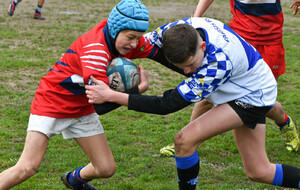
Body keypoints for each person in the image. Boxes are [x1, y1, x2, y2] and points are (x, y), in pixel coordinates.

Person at [85, 17, 300, 189]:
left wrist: (112, 96)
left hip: (252, 96)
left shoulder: (217, 64)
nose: (187, 72)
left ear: (202, 46)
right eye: (181, 66)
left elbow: (167, 105)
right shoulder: (174, 31)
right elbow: (142, 45)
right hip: (240, 84)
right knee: (259, 171)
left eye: (190, 65)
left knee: (184, 141)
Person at [0, 0, 151, 189]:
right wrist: (137, 91)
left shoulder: (120, 34)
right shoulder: (95, 51)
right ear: (115, 29)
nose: (135, 44)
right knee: (27, 168)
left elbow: (157, 49)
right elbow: (101, 106)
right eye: (131, 37)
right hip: (52, 102)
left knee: (106, 168)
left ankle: (74, 181)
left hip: (82, 105)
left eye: (138, 37)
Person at [159, 0, 300, 156]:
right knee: (207, 97)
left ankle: (285, 123)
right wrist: (196, 18)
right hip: (239, 37)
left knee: (265, 103)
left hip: (270, 41)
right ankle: (189, 140)